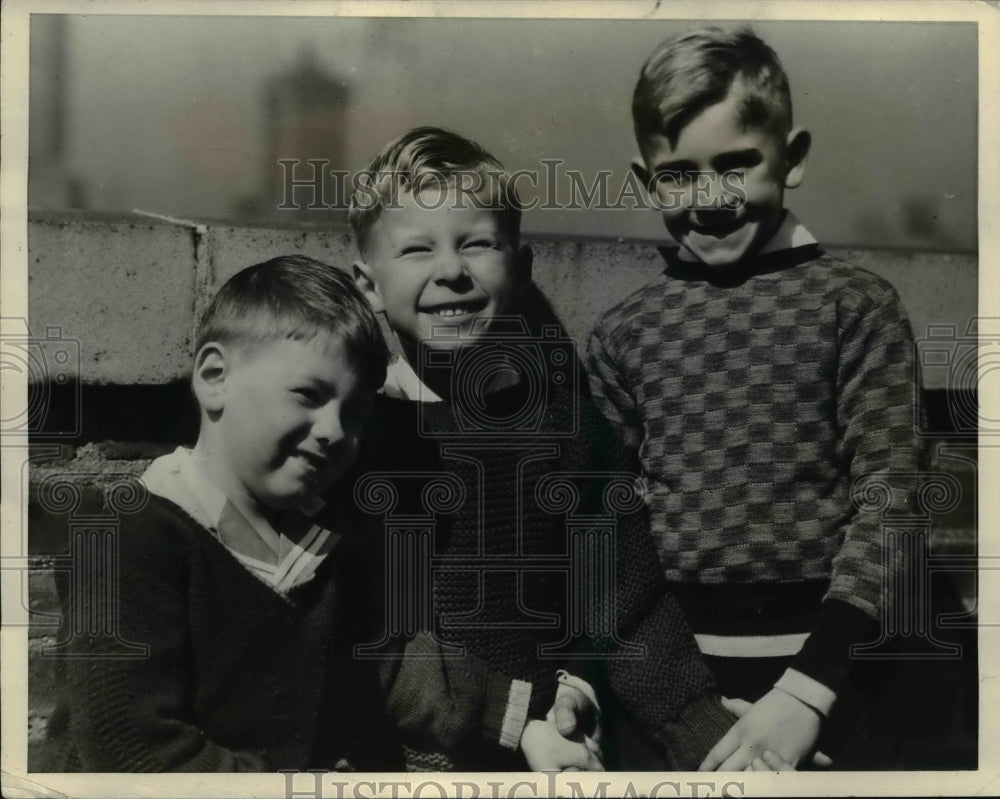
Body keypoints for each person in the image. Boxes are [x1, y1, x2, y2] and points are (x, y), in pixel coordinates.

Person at [346, 126, 740, 771]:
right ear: (367, 287)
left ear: (521, 268)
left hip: (549, 755)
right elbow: (355, 638)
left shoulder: (568, 432)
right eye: (417, 250)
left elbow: (627, 609)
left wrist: (707, 737)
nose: (450, 270)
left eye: (477, 243)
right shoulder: (348, 439)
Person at [586, 27, 925, 769]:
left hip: (838, 681)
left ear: (792, 158)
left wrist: (808, 692)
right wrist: (683, 705)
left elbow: (894, 500)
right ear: (647, 180)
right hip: (674, 687)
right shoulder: (622, 333)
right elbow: (610, 531)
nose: (709, 199)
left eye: (737, 164)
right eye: (678, 174)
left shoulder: (857, 307)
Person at [42, 256, 404, 771]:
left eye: (355, 413)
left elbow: (391, 670)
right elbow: (135, 752)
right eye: (309, 395)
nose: (333, 430)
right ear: (214, 378)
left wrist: (526, 722)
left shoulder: (321, 542)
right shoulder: (127, 538)